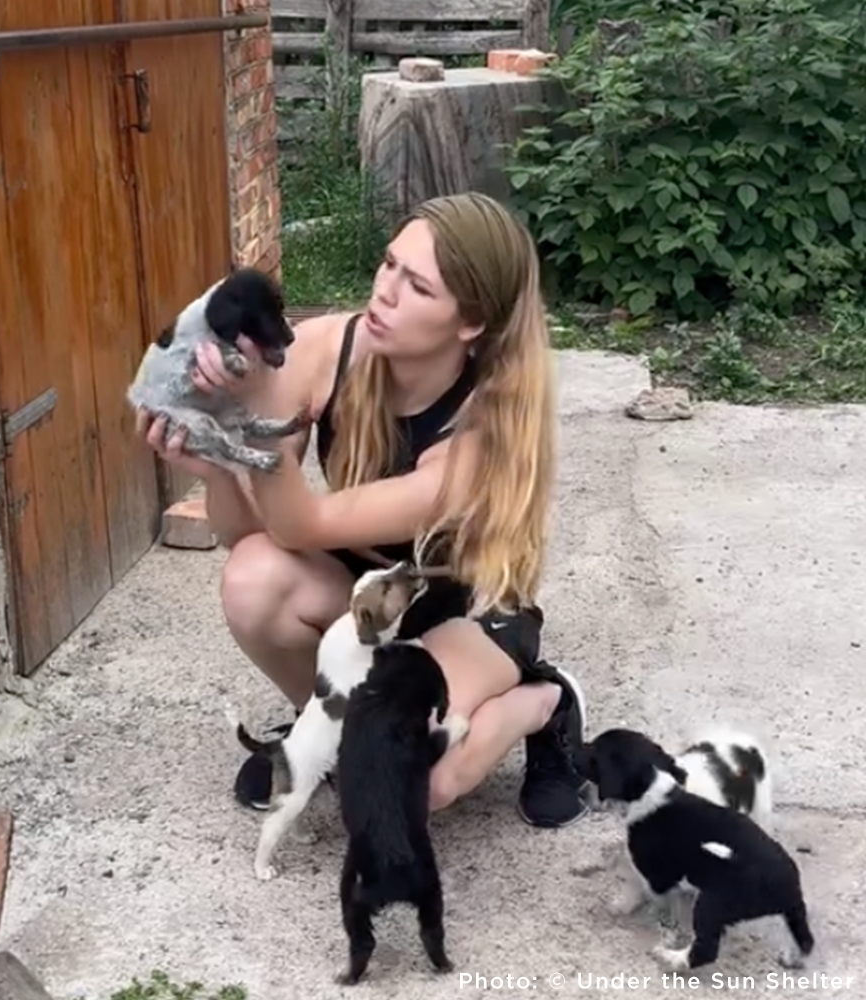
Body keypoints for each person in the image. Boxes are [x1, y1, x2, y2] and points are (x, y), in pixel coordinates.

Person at [136, 191, 589, 829]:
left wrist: (256, 408)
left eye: (419, 288)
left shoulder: (481, 433)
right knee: (252, 577)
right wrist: (214, 464)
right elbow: (250, 535)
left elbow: (302, 523)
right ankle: (328, 727)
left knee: (418, 782)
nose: (385, 292)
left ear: (470, 323)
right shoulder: (329, 350)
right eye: (388, 265)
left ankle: (543, 699)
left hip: (463, 605)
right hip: (363, 588)